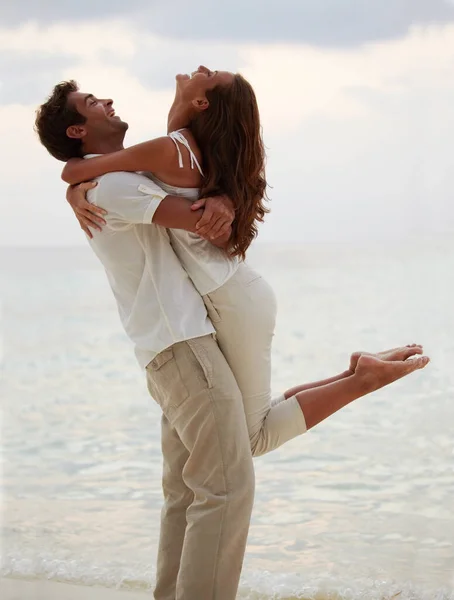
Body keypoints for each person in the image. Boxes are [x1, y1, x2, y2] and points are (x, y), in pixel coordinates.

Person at [35, 74, 429, 600]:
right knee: (226, 487)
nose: (107, 99)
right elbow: (197, 217)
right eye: (91, 102)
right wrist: (216, 203)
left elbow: (175, 170)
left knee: (190, 490)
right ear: (79, 130)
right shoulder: (116, 185)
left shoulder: (118, 178)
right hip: (182, 344)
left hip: (170, 345)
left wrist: (80, 187)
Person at [60, 67, 430, 456]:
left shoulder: (170, 148)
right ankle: (356, 374)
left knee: (253, 437)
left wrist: (74, 190)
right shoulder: (179, 144)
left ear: (201, 103)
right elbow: (136, 165)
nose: (201, 68)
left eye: (211, 74)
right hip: (233, 292)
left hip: (229, 296)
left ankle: (362, 380)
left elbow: (77, 169)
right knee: (252, 421)